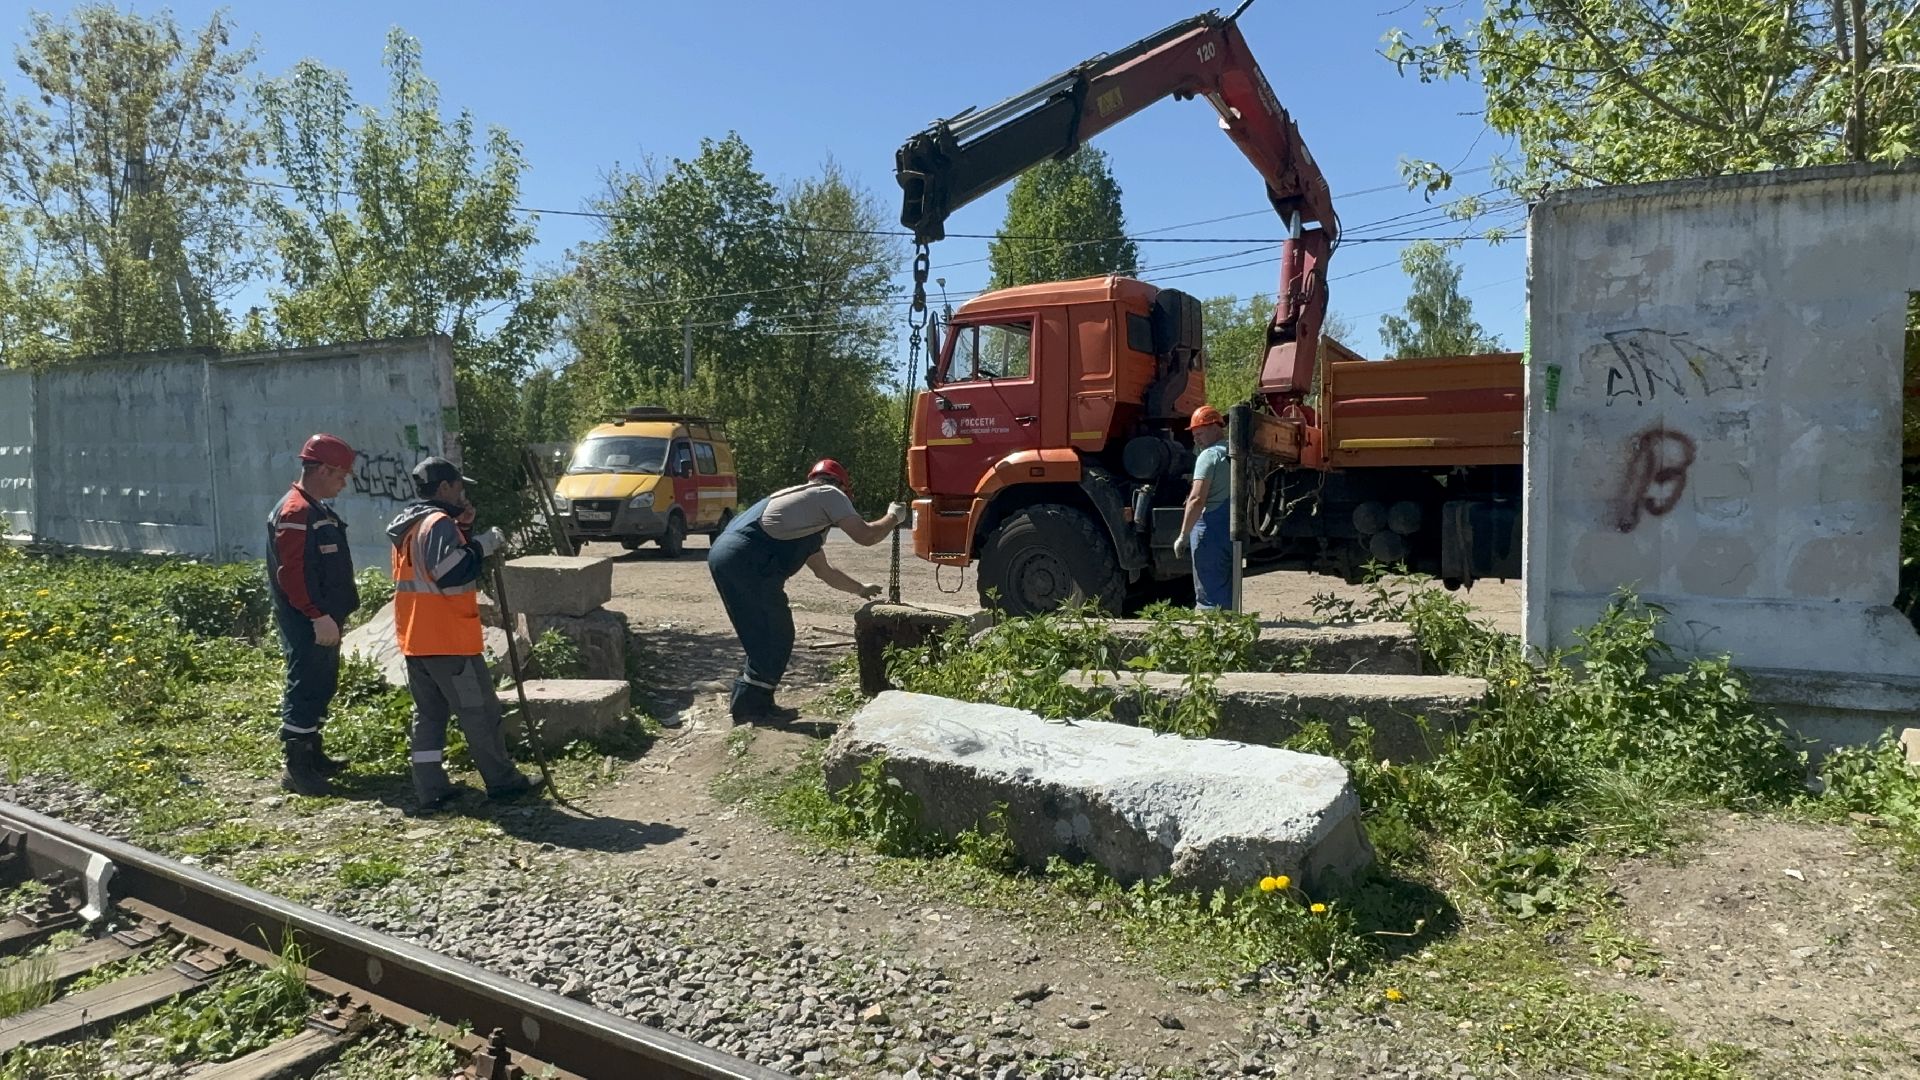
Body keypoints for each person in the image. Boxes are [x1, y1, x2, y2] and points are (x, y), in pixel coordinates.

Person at [387, 456, 535, 814]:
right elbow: (447, 570)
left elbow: (434, 564)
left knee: (430, 716)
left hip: (417, 639)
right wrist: (484, 544)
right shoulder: (438, 523)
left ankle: (430, 788)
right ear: (443, 488)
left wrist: (465, 531)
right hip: (448, 641)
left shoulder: (409, 524)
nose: (462, 492)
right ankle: (502, 782)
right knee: (480, 712)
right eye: (458, 486)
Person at [709, 459, 908, 723]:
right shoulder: (829, 493)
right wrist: (894, 516)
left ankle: (755, 704)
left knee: (765, 634)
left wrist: (860, 589)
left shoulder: (802, 513)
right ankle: (751, 710)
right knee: (774, 634)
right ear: (843, 488)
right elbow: (866, 536)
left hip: (729, 556)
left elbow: (825, 572)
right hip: (746, 560)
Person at [268, 433, 362, 797]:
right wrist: (315, 614)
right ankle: (298, 766)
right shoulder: (297, 512)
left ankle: (313, 754)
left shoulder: (313, 508)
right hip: (309, 619)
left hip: (323, 617)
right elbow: (292, 574)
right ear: (322, 469)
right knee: (305, 685)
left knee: (321, 683)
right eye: (341, 474)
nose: (344, 482)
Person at [1172, 405, 1235, 611]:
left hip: (1209, 531)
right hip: (1230, 525)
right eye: (1194, 434)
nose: (1196, 439)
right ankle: (1231, 631)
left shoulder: (1208, 456)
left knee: (1209, 592)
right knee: (1227, 586)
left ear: (1215, 428)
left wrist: (1183, 534)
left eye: (1199, 433)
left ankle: (1210, 635)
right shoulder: (1234, 453)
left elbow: (1197, 499)